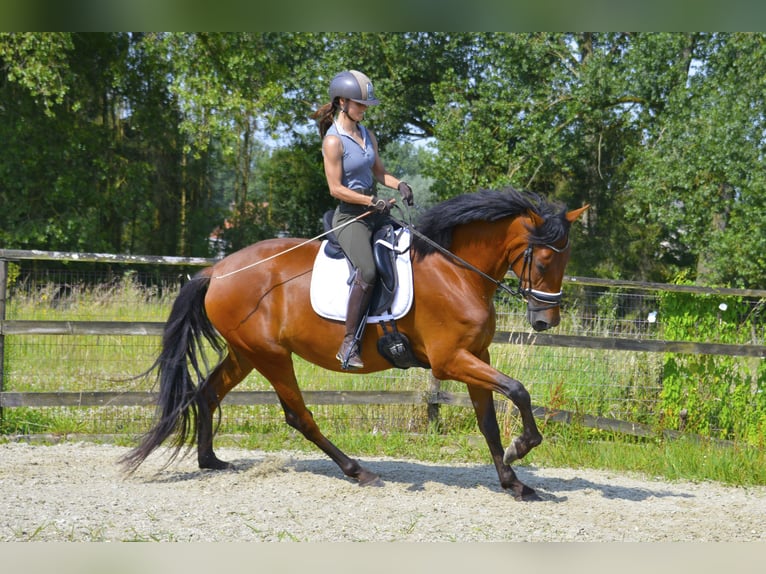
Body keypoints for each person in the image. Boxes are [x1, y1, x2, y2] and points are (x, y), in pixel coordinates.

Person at [313, 70, 414, 369]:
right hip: (349, 218)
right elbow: (336, 189)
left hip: (375, 212)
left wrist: (399, 185)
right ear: (342, 102)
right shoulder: (333, 142)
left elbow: (378, 172)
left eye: (366, 104)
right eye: (360, 103)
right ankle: (348, 344)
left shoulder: (367, 134)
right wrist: (372, 200)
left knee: (410, 247)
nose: (365, 108)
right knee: (367, 271)